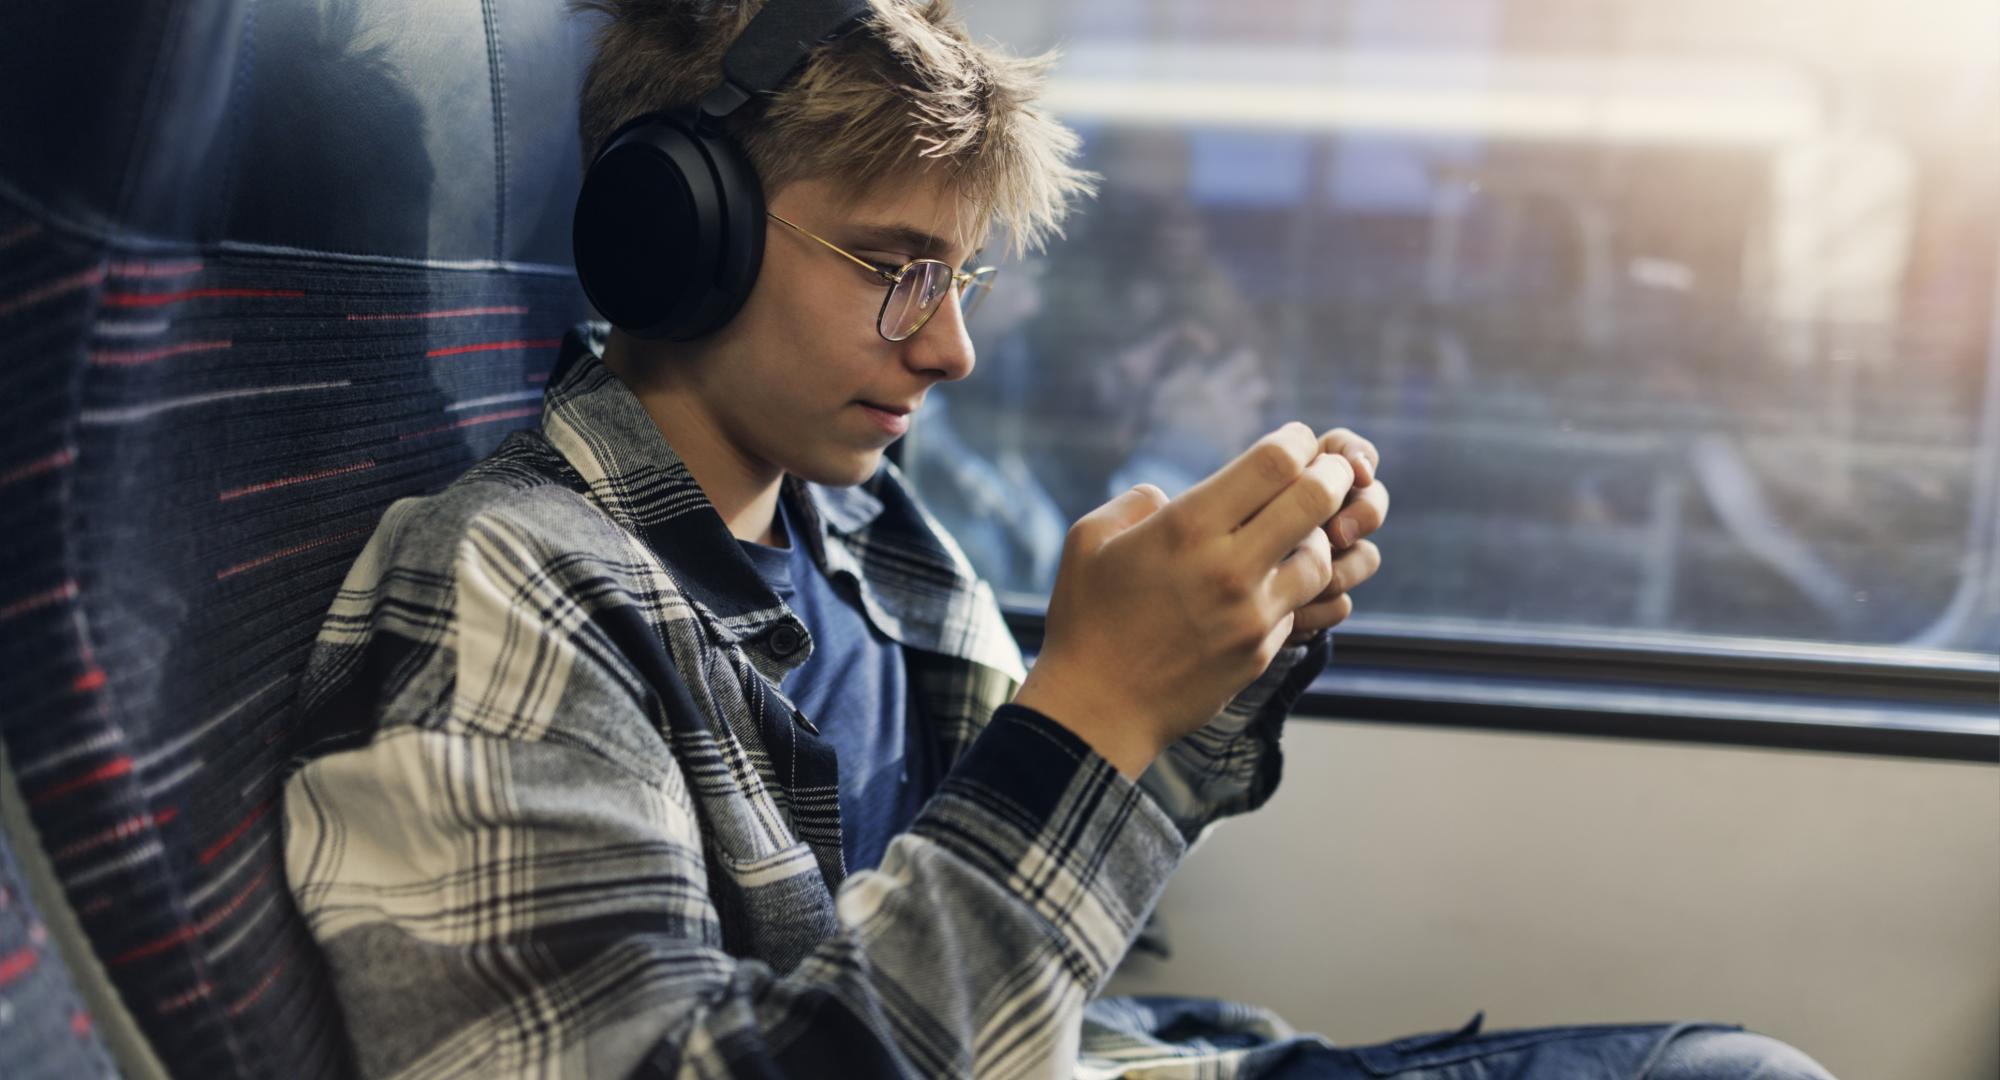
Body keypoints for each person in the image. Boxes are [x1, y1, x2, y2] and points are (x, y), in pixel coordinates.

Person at [277, 2, 1835, 1077]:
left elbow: (1062, 913)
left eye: (962, 278)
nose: (947, 350)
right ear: (676, 235)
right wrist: (1094, 713)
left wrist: (1207, 675)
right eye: (895, 268)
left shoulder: (861, 534)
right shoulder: (515, 587)